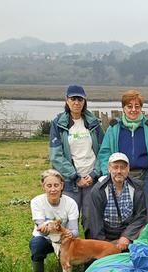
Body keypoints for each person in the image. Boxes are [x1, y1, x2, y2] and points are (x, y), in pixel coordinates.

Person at [48, 84, 104, 237]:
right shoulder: (58, 123)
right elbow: (56, 155)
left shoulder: (94, 123)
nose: (77, 103)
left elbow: (103, 151)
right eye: (73, 99)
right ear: (67, 100)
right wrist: (75, 177)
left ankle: (90, 256)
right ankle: (67, 256)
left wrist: (93, 174)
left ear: (85, 101)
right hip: (69, 181)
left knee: (90, 218)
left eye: (80, 99)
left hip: (91, 180)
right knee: (67, 219)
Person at [98, 90, 148, 223]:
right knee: (122, 213)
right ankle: (123, 241)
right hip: (120, 176)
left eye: (137, 106)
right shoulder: (114, 129)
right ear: (123, 108)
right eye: (129, 106)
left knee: (145, 213)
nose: (133, 110)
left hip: (145, 177)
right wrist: (107, 174)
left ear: (141, 108)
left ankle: (144, 242)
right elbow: (104, 153)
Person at [86, 152, 148, 251]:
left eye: (123, 167)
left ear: (128, 169)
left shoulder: (137, 188)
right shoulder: (98, 190)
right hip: (106, 233)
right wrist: (105, 246)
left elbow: (141, 216)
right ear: (109, 169)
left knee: (145, 231)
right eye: (115, 167)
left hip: (128, 231)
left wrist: (127, 236)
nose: (119, 171)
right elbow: (95, 222)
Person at [30, 169, 79, 272]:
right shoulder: (36, 202)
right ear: (43, 186)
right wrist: (48, 228)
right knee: (36, 244)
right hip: (45, 238)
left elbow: (75, 231)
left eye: (56, 185)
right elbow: (41, 228)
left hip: (63, 240)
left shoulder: (71, 203)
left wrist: (69, 233)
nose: (53, 189)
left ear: (62, 186)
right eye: (49, 185)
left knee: (73, 242)